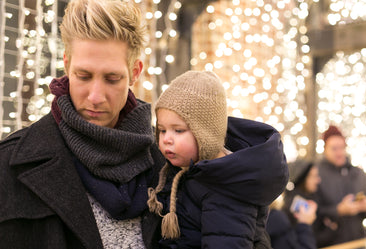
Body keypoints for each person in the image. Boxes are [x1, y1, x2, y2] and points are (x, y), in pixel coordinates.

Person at [0, 0, 165, 248]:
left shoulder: (168, 163)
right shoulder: (9, 164)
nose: (96, 97)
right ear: (66, 65)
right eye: (83, 76)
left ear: (135, 72)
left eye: (112, 79)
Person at [147, 70, 289, 248]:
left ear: (205, 135)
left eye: (178, 130)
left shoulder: (226, 187)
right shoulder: (188, 172)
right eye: (162, 130)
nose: (166, 139)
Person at [313, 125, 366, 247]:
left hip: (358, 241)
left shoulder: (357, 173)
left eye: (342, 148)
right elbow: (313, 211)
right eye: (334, 149)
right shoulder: (315, 175)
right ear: (325, 149)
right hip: (330, 243)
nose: (339, 153)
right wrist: (338, 210)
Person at [266, 159, 320, 249]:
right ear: (302, 178)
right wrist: (305, 224)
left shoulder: (315, 198)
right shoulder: (289, 207)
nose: (318, 180)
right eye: (313, 176)